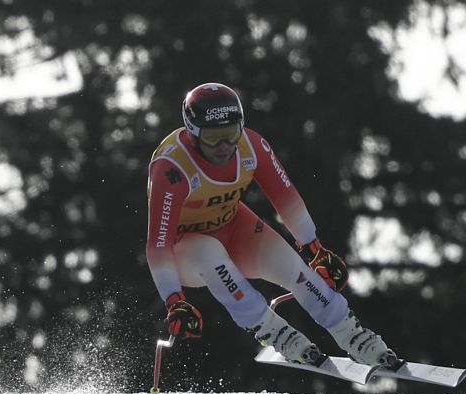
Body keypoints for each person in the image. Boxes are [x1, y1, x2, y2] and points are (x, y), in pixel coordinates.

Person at [145, 82, 397, 366]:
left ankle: (353, 335)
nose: (225, 146)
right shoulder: (172, 169)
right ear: (192, 133)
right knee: (210, 254)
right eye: (214, 137)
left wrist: (314, 249)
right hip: (186, 250)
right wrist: (174, 300)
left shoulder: (251, 147)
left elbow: (286, 197)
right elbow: (158, 245)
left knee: (296, 270)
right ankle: (277, 334)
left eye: (230, 134)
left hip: (233, 227)